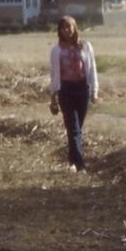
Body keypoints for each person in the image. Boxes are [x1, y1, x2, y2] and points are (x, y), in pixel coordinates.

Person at [49, 15, 99, 174]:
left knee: (76, 128)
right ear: (59, 31)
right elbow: (54, 74)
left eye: (69, 27)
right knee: (74, 127)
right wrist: (53, 96)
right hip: (66, 90)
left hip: (82, 88)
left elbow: (92, 70)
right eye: (63, 28)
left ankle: (72, 161)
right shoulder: (56, 50)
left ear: (75, 28)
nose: (66, 30)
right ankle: (81, 165)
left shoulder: (85, 46)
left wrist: (94, 92)